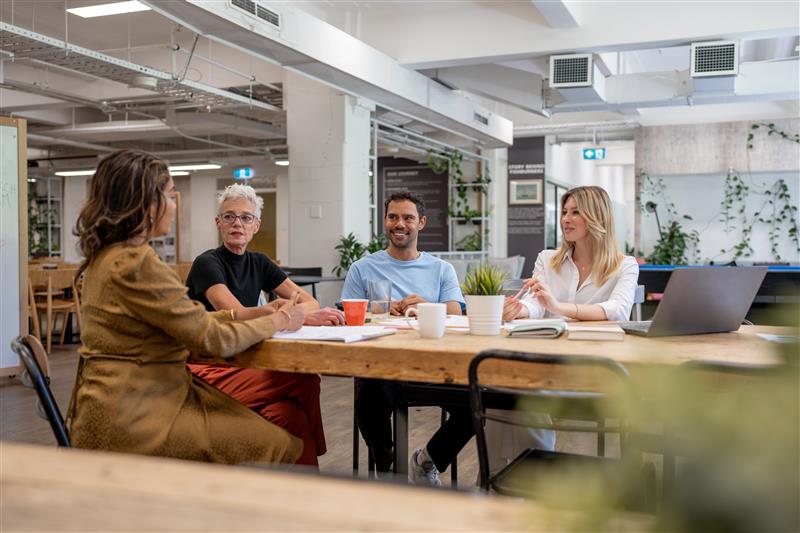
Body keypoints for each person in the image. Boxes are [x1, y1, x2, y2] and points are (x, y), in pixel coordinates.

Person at [67, 149, 304, 465]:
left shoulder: (107, 257)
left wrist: (254, 316)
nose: (174, 206)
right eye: (169, 195)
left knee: (284, 415)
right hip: (138, 414)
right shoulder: (136, 263)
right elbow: (211, 339)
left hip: (116, 401)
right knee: (280, 444)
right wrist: (279, 321)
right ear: (146, 204)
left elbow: (194, 320)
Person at [186, 183, 344, 468]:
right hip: (207, 368)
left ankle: (308, 492)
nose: (237, 224)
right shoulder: (207, 263)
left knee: (289, 415)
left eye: (246, 218)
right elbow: (235, 314)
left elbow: (309, 302)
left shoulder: (259, 263)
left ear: (256, 225)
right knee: (304, 379)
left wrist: (296, 313)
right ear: (218, 223)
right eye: (230, 216)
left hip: (247, 362)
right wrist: (289, 316)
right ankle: (320, 455)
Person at [341, 191, 464, 485]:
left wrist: (424, 306)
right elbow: (348, 314)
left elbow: (456, 311)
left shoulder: (441, 269)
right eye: (393, 217)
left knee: (476, 403)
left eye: (408, 218)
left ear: (420, 223)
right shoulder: (362, 268)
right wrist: (379, 310)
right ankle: (389, 472)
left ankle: (428, 460)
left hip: (433, 370)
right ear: (385, 221)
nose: (400, 223)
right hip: (381, 367)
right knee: (369, 387)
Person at [503, 185, 639, 322]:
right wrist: (518, 310)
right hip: (552, 341)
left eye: (575, 212)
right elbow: (535, 303)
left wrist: (559, 307)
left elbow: (618, 310)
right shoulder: (546, 259)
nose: (565, 219)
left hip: (596, 342)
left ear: (598, 218)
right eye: (564, 212)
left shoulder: (625, 266)